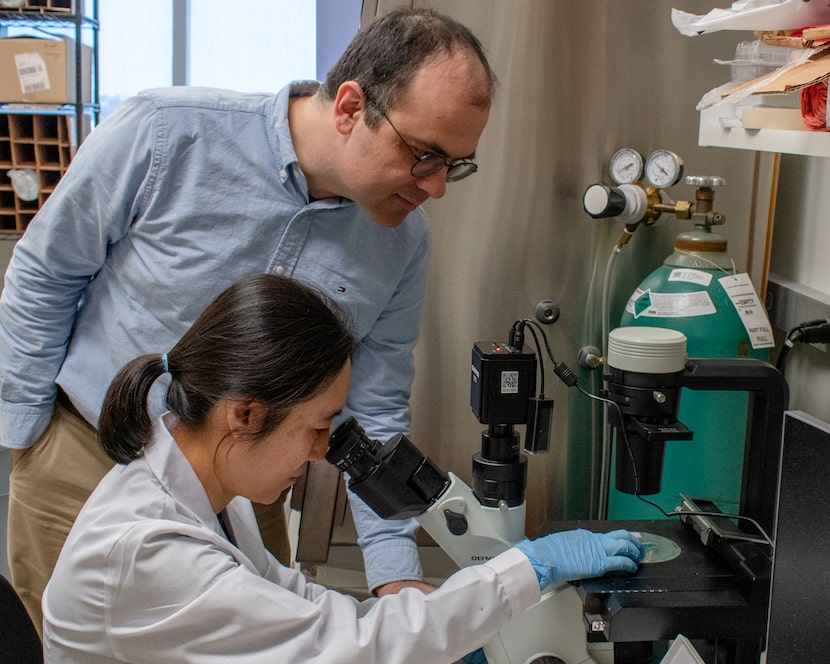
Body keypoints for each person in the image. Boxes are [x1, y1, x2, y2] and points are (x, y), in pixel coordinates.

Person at [0, 7, 497, 631]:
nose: (438, 186)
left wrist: (392, 571)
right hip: (89, 458)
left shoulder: (403, 242)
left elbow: (374, 410)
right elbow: (46, 272)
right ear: (350, 108)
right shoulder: (164, 133)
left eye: (456, 164)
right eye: (425, 155)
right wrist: (28, 439)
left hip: (240, 494)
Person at [42, 273, 644, 663]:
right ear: (244, 414)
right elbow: (346, 649)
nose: (319, 454)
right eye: (317, 427)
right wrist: (526, 571)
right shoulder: (149, 553)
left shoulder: (206, 491)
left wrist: (430, 615)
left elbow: (294, 604)